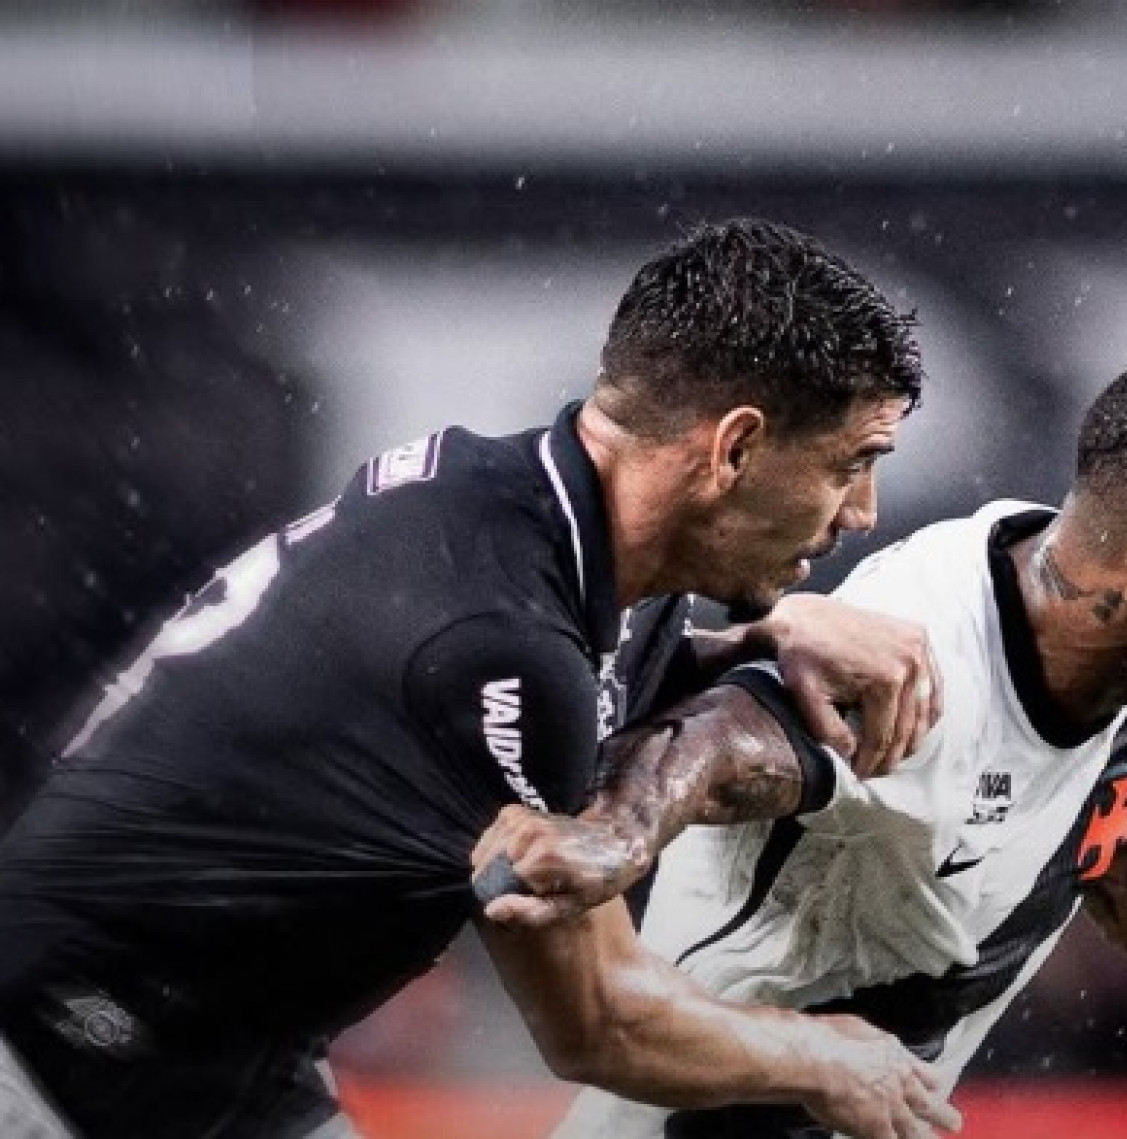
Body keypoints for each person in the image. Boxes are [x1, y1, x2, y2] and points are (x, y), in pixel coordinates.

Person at [0, 218, 962, 1139]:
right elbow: (601, 1023)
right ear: (735, 448)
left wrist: (771, 632)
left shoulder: (533, 519)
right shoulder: (499, 640)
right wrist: (827, 1056)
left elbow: (587, 685)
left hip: (180, 1046)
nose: (863, 514)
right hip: (69, 1057)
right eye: (852, 464)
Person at [481, 336, 1127, 1139]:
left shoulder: (1117, 651)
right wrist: (615, 835)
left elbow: (1105, 807)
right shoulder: (920, 656)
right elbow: (726, 735)